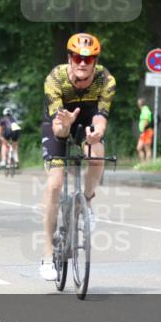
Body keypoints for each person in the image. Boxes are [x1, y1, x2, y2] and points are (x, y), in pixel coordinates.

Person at [40, 32, 115, 281]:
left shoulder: (106, 80)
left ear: (95, 60)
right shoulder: (56, 78)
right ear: (69, 58)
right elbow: (59, 130)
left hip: (87, 121)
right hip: (59, 122)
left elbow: (100, 117)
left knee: (97, 154)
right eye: (77, 57)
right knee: (55, 185)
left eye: (89, 58)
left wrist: (96, 135)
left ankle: (87, 203)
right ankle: (48, 253)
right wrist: (66, 123)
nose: (83, 63)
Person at [136, 97, 153, 162]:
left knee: (147, 148)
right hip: (144, 132)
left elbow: (146, 121)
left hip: (147, 131)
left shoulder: (146, 111)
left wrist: (143, 131)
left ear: (140, 104)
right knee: (139, 148)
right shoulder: (143, 110)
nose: (138, 105)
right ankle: (143, 163)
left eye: (138, 103)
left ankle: (147, 165)